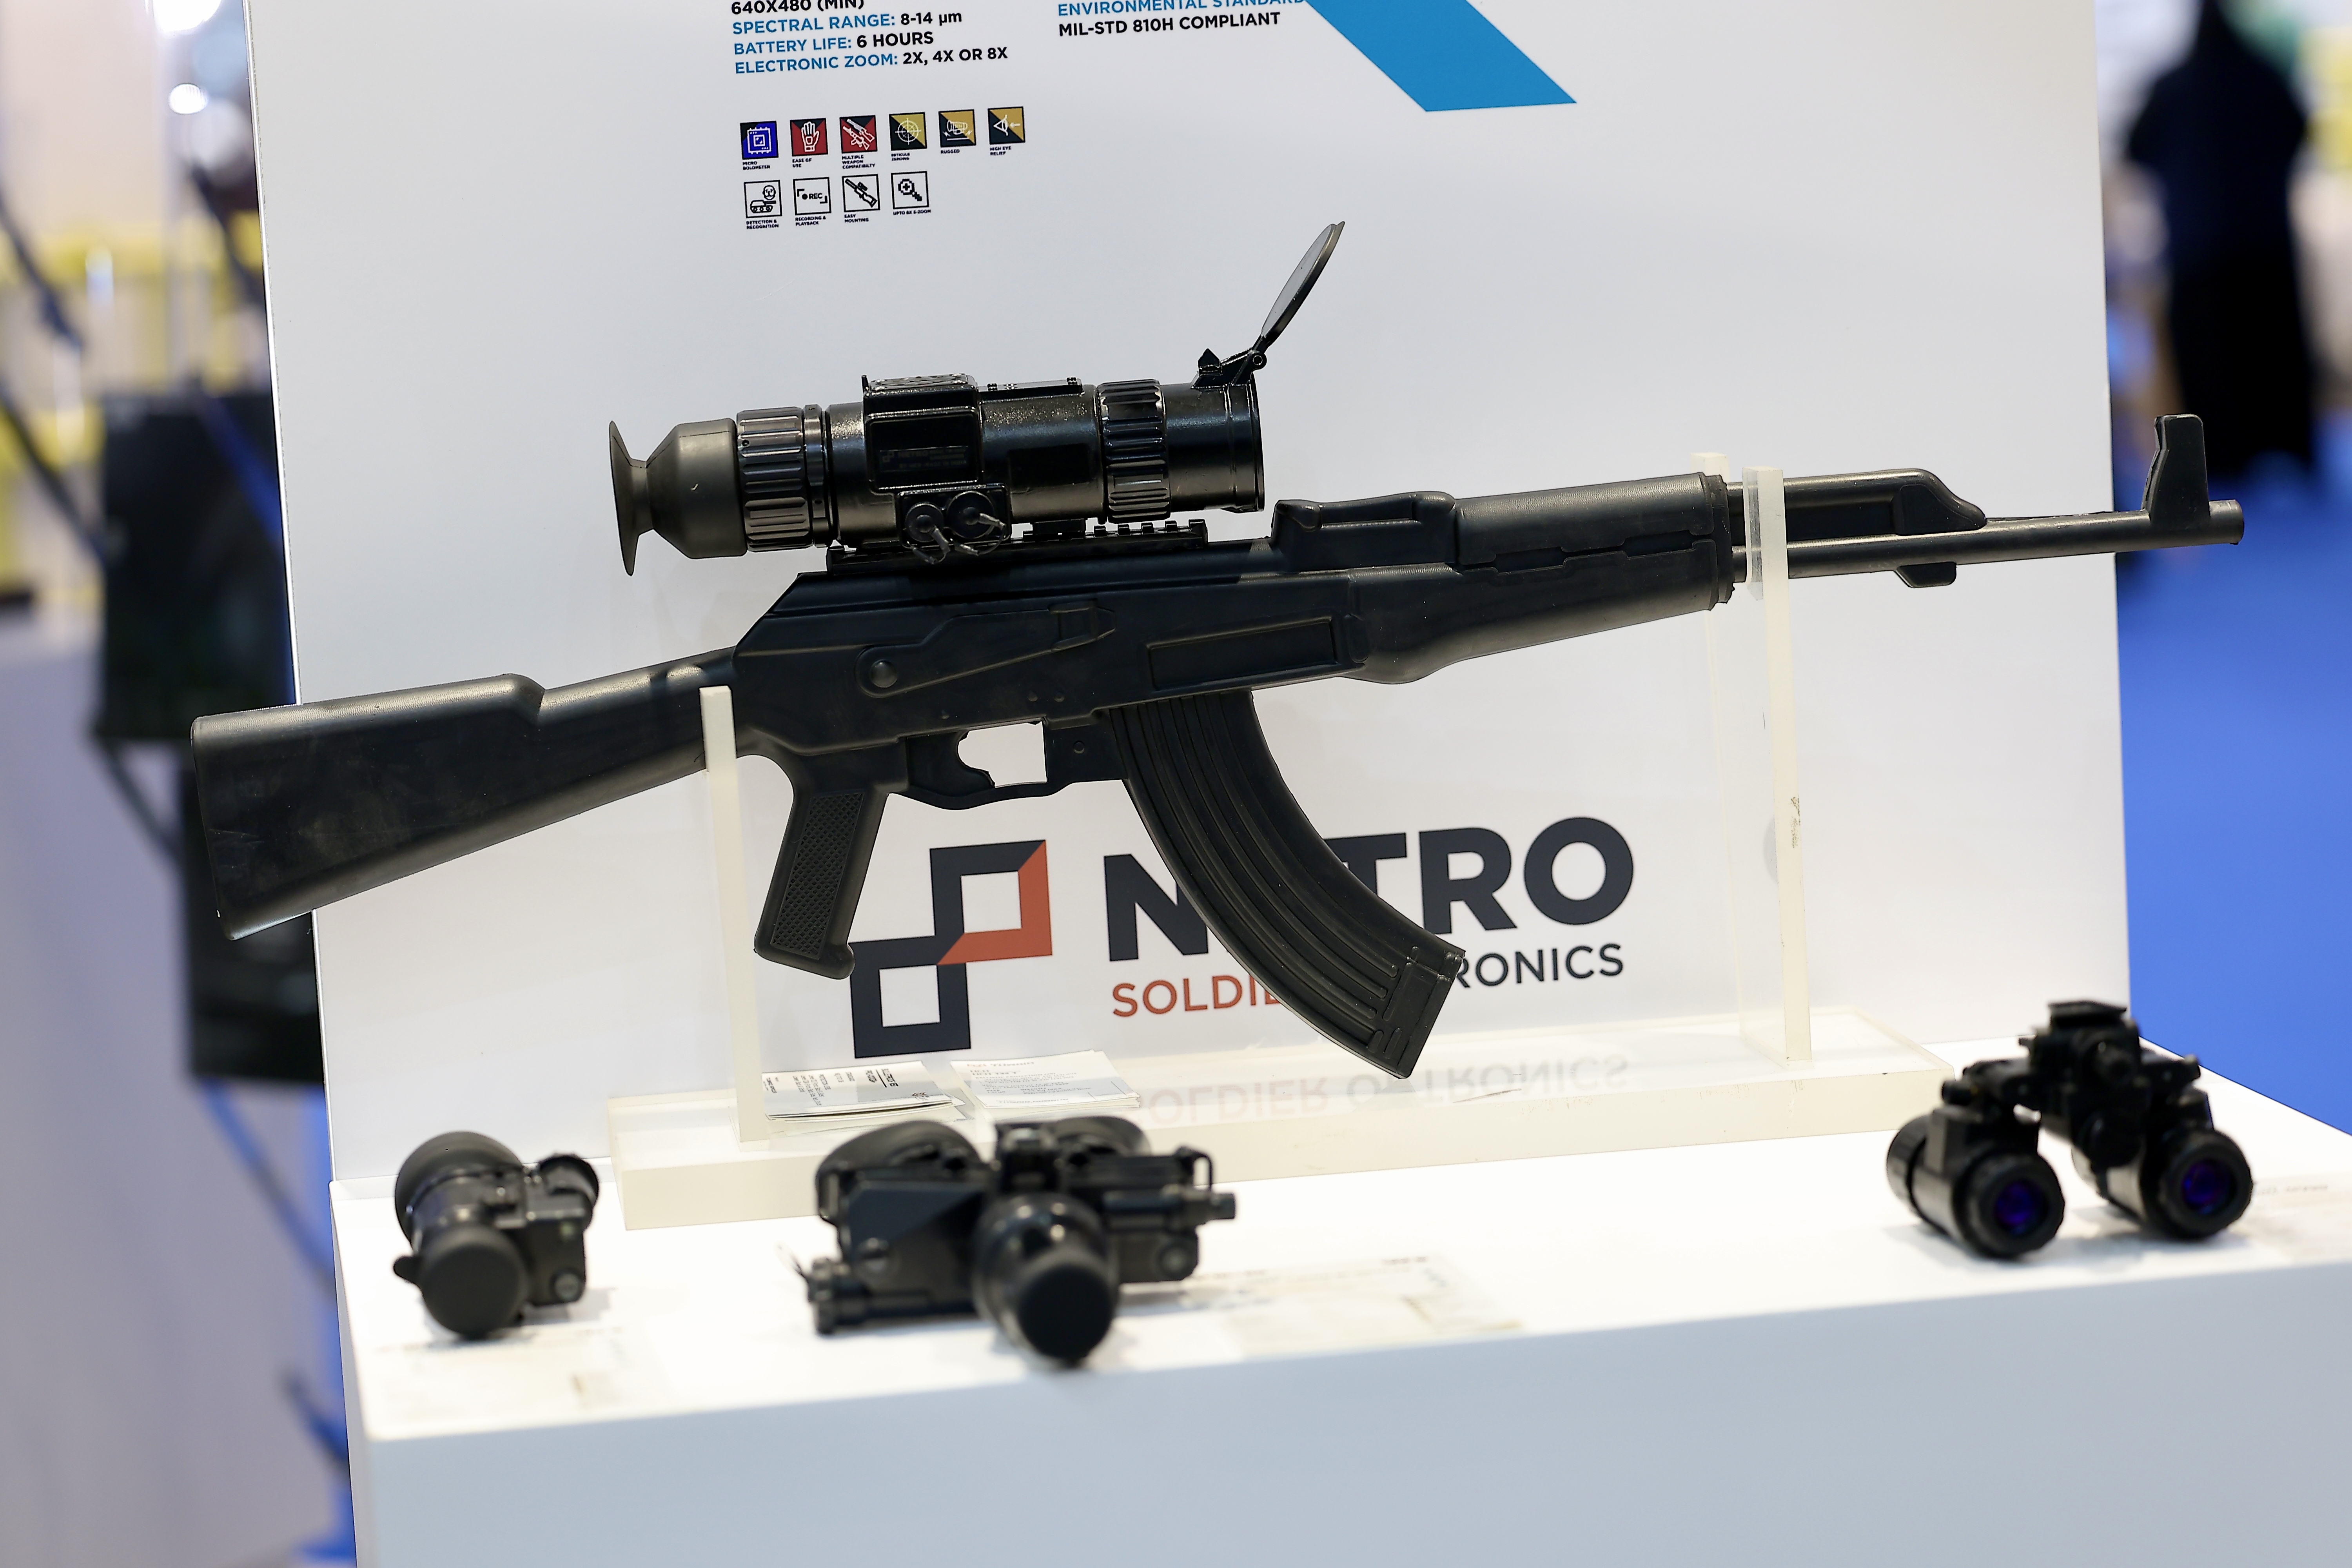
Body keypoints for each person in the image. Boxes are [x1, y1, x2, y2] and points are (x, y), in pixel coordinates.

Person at [2128, 0, 2316, 475]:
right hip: (2264, 242)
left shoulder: (2173, 85)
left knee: (2211, 363)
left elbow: (2137, 147)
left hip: (2200, 247)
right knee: (2272, 350)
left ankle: (2222, 457)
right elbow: (2299, 132)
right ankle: (2283, 448)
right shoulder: (2263, 76)